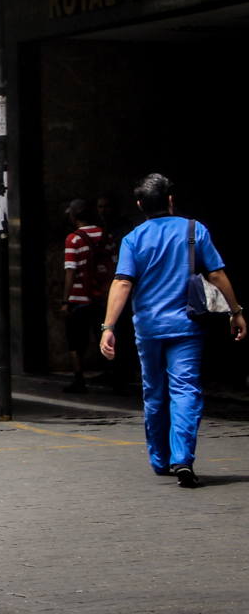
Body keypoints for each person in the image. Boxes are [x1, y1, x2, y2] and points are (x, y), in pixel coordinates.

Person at [100, 174, 246, 488]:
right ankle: (183, 459)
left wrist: (108, 327)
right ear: (170, 200)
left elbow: (123, 282)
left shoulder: (133, 238)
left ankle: (160, 460)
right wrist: (236, 312)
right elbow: (217, 275)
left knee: (154, 393)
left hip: (149, 328)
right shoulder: (195, 230)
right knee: (185, 390)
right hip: (187, 326)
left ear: (140, 205)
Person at [60, 199, 108, 393]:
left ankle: (79, 381)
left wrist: (65, 301)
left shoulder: (73, 239)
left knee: (75, 341)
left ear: (73, 217)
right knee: (103, 336)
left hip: (79, 299)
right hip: (102, 298)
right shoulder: (105, 235)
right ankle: (114, 376)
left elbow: (70, 271)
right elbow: (115, 265)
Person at [94, 194, 137, 393]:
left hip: (120, 283)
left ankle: (122, 369)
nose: (103, 210)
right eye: (100, 206)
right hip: (106, 285)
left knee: (122, 328)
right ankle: (111, 368)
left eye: (107, 206)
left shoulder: (125, 233)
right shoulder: (101, 230)